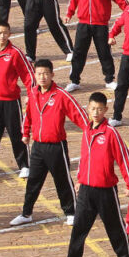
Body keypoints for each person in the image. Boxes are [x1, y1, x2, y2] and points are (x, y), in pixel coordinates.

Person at [60, 92, 129, 257]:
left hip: (105, 189)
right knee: (79, 227)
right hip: (86, 189)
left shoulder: (111, 133)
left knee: (114, 226)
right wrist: (79, 179)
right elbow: (84, 157)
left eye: (100, 109)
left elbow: (124, 158)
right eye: (93, 108)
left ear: (105, 110)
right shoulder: (86, 130)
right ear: (88, 108)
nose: (96, 112)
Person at [12, 59, 88, 226]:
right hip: (38, 146)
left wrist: (90, 131)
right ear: (35, 75)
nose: (42, 77)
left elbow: (78, 114)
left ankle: (71, 212)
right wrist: (25, 134)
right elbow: (28, 115)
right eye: (39, 74)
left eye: (46, 73)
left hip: (56, 145)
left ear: (52, 75)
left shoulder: (61, 95)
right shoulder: (32, 93)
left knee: (62, 180)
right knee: (33, 180)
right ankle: (26, 213)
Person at [64, 0, 127, 92]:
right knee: (79, 52)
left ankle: (109, 79)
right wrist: (69, 13)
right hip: (83, 24)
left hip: (101, 24)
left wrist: (128, 11)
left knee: (104, 52)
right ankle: (74, 80)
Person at [0, 20, 32, 178]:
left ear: (10, 34)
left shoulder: (15, 53)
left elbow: (27, 74)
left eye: (5, 33)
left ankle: (24, 165)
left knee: (16, 134)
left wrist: (31, 95)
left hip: (11, 101)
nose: (2, 36)